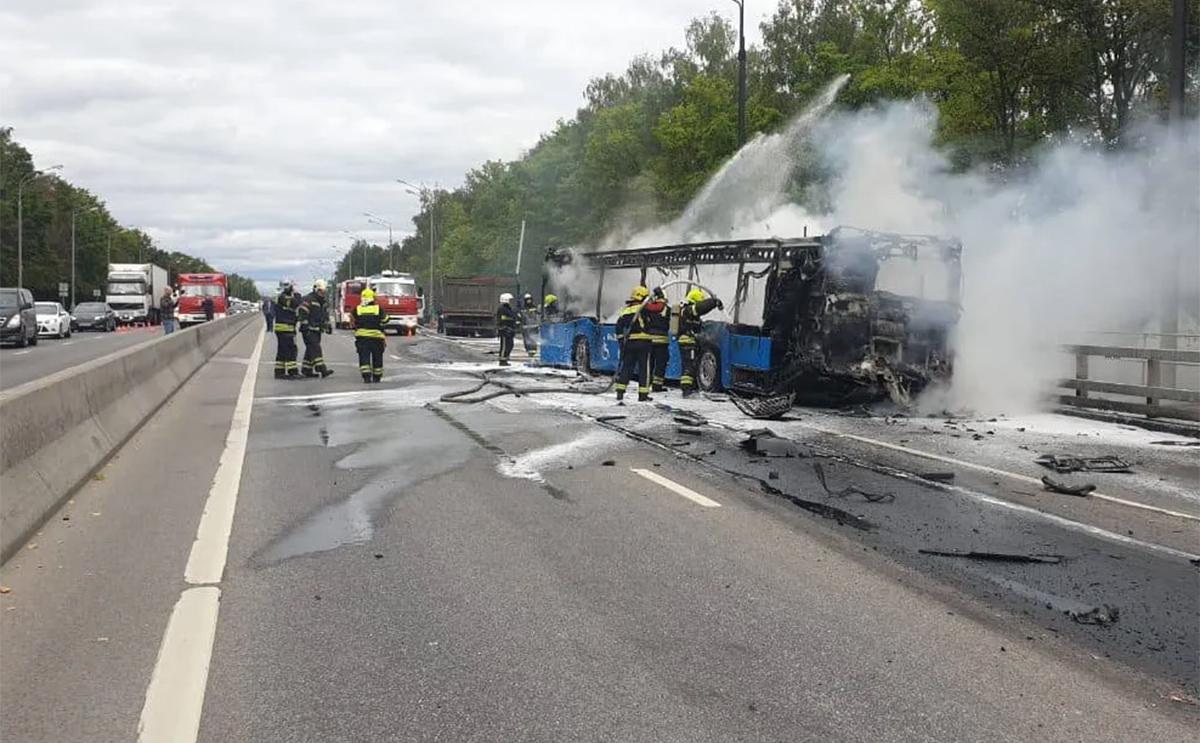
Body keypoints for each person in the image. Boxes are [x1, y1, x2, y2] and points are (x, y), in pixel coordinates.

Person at [676, 288, 722, 396]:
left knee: (691, 364)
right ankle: (686, 390)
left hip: (689, 342)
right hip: (687, 342)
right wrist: (713, 302)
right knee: (689, 365)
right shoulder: (688, 310)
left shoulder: (691, 314)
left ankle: (689, 387)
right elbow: (700, 307)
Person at [615, 285, 654, 403]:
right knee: (644, 369)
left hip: (630, 343)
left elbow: (618, 328)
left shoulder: (625, 310)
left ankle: (620, 393)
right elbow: (657, 309)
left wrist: (622, 341)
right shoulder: (643, 308)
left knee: (627, 367)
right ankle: (643, 395)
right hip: (643, 343)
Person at [297, 279, 334, 378]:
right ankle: (322, 369)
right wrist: (305, 325)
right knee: (316, 349)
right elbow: (302, 313)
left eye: (324, 292)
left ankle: (306, 369)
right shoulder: (308, 299)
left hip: (318, 330)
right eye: (321, 291)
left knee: (310, 350)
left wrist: (328, 325)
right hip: (309, 330)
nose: (322, 293)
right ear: (316, 289)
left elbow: (325, 315)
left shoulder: (324, 302)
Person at [353, 288, 388, 383]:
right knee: (377, 357)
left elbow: (352, 320)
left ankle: (366, 377)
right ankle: (377, 376)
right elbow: (385, 320)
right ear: (372, 298)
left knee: (364, 357)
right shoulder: (378, 308)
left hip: (362, 338)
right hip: (376, 338)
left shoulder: (358, 309)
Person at [274, 280, 302, 379]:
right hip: (285, 328)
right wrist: (297, 293)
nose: (292, 289)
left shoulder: (282, 296)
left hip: (286, 328)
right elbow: (296, 303)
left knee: (282, 351)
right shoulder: (283, 297)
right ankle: (292, 371)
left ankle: (279, 372)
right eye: (291, 287)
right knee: (291, 350)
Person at [646, 286, 672, 393]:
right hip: (662, 342)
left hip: (648, 340)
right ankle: (657, 386)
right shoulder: (667, 309)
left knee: (649, 364)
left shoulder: (648, 307)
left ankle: (646, 384)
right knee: (661, 364)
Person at [495, 292, 518, 366]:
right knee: (504, 346)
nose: (511, 302)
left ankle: (506, 359)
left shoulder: (508, 309)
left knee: (510, 345)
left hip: (509, 330)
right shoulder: (502, 309)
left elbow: (512, 317)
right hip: (504, 330)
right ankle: (502, 360)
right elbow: (504, 319)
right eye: (510, 300)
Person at [519, 293, 539, 357]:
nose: (529, 301)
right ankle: (529, 350)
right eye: (527, 300)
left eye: (530, 299)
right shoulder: (523, 309)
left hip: (534, 327)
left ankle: (533, 351)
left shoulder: (534, 308)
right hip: (526, 327)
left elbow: (538, 316)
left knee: (533, 339)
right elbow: (521, 317)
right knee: (527, 340)